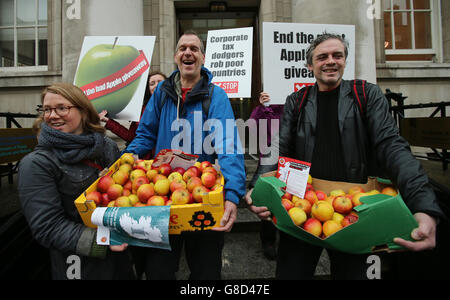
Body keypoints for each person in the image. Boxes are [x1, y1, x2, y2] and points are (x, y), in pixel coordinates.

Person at [246, 33, 445, 279]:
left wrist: (423, 204)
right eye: (322, 57)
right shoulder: (297, 100)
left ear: (344, 61)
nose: (330, 61)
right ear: (310, 65)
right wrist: (257, 187)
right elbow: (278, 146)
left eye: (337, 55)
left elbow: (392, 145)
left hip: (356, 213)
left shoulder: (367, 94)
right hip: (303, 208)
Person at [124, 30, 246, 280]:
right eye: (182, 48)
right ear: (175, 56)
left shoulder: (216, 95)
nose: (187, 52)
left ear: (202, 57)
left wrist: (232, 195)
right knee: (159, 269)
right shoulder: (161, 93)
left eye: (194, 48)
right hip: (162, 193)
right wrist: (129, 159)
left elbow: (228, 144)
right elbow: (145, 133)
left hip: (202, 194)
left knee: (206, 271)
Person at [18, 83, 134, 280]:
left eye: (62, 108)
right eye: (47, 109)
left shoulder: (106, 147)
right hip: (79, 265)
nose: (52, 115)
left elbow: (123, 194)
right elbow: (48, 227)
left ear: (83, 111)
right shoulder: (36, 164)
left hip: (121, 258)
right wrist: (103, 240)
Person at [248, 92, 284, 260]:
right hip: (269, 162)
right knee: (268, 201)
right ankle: (268, 240)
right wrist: (263, 108)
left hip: (292, 161)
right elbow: (252, 125)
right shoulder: (266, 108)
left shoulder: (296, 105)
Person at [99, 71, 167, 152]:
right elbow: (131, 137)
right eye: (152, 84)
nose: (156, 85)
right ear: (148, 89)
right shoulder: (142, 111)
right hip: (146, 160)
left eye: (160, 82)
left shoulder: (176, 107)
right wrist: (108, 121)